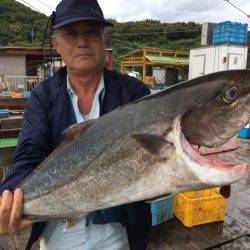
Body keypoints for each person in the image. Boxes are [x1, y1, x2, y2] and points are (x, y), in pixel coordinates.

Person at [0, 0, 152, 249]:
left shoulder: (133, 92)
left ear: (104, 39)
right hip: (57, 230)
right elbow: (29, 152)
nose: (83, 41)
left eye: (93, 32)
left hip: (120, 232)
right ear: (56, 44)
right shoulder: (43, 97)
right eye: (71, 33)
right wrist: (9, 195)